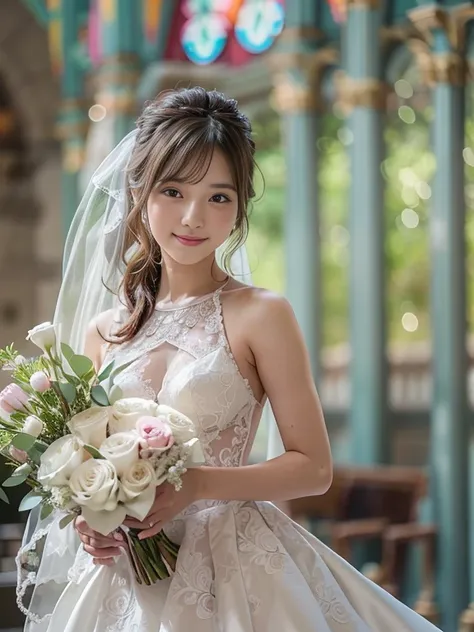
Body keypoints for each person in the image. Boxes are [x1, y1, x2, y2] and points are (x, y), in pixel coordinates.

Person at [18, 87, 440, 631]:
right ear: (140, 190)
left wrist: (197, 485)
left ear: (240, 205)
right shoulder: (107, 331)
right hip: (125, 578)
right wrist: (95, 519)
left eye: (218, 197)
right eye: (173, 190)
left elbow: (313, 468)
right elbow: (89, 466)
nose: (194, 217)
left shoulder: (261, 314)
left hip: (234, 566)